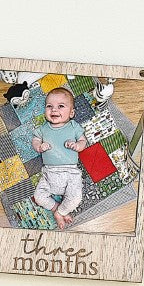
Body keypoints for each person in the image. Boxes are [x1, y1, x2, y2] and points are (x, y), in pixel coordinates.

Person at [31, 87, 87, 229]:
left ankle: (61, 212)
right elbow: (35, 139)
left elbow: (83, 141)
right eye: (49, 106)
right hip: (49, 174)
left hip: (70, 173)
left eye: (61, 106)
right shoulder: (44, 128)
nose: (54, 110)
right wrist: (39, 146)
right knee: (38, 197)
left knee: (75, 198)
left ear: (72, 112)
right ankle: (57, 209)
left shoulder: (73, 126)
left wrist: (77, 146)